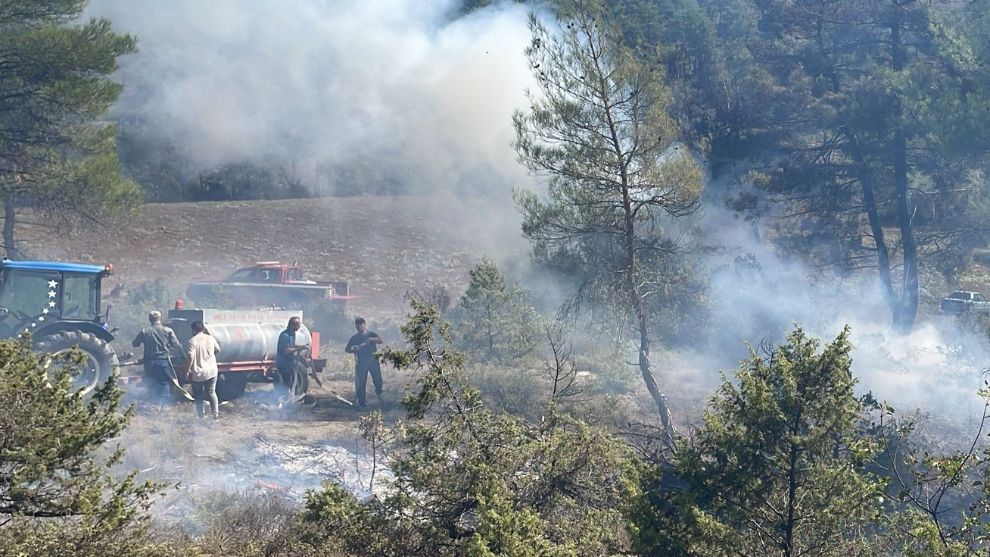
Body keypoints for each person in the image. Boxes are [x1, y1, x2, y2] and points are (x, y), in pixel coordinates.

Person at [132, 310, 182, 400]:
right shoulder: (168, 331)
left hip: (149, 363)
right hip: (163, 361)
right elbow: (176, 345)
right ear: (160, 318)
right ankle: (163, 405)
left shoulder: (144, 332)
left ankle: (153, 404)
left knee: (151, 383)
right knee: (164, 382)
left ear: (150, 319)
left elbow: (135, 344)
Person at [345, 317, 383, 409]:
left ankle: (381, 397)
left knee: (378, 381)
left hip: (373, 361)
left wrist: (370, 340)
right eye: (357, 326)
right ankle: (362, 404)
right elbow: (347, 349)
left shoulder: (371, 334)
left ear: (364, 325)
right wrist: (354, 348)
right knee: (361, 384)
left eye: (361, 325)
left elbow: (380, 340)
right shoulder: (354, 338)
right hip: (361, 363)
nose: (359, 327)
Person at [186, 320, 221, 419]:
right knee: (211, 393)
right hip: (212, 371)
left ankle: (201, 416)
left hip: (198, 373)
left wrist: (187, 370)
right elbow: (218, 349)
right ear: (203, 329)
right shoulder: (210, 338)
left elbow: (190, 356)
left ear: (193, 330)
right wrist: (209, 355)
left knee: (198, 395)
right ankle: (215, 415)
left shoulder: (193, 341)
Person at [275, 316, 307, 397]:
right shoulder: (285, 335)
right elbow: (286, 350)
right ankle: (284, 400)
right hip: (283, 364)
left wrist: (301, 346)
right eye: (297, 325)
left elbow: (291, 346)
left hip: (290, 362)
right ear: (292, 325)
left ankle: (293, 398)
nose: (299, 326)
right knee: (287, 383)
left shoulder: (292, 334)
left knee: (294, 382)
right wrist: (299, 348)